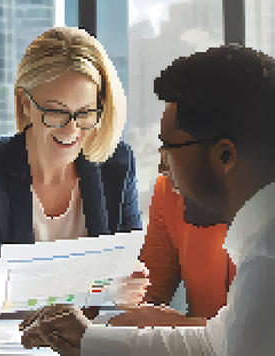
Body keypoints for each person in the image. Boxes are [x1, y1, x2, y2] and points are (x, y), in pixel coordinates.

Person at [31, 44, 275, 356]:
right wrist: (87, 340)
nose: (162, 166)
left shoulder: (267, 260)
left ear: (224, 155)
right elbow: (214, 344)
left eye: (169, 148)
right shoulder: (263, 243)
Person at [0, 27, 144, 317]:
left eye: (86, 112)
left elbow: (125, 275)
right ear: (25, 104)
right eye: (56, 112)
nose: (72, 129)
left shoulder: (117, 163)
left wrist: (129, 288)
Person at [139, 171, 235, 318]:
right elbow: (148, 293)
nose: (161, 166)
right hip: (198, 337)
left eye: (172, 148)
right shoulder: (168, 186)